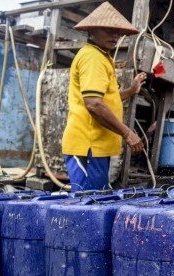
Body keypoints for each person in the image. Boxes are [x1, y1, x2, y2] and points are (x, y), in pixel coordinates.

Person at [62, 2, 145, 191]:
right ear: (92, 30)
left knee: (95, 201)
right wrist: (128, 133)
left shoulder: (102, 57)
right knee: (86, 204)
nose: (114, 36)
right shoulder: (93, 58)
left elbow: (105, 99)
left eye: (117, 32)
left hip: (96, 146)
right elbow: (94, 105)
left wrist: (131, 91)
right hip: (87, 145)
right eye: (108, 30)